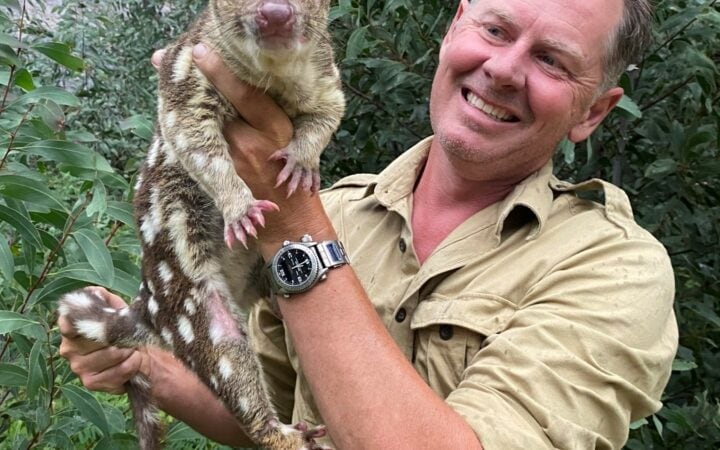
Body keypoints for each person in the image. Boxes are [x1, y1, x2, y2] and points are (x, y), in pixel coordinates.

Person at [58, 0, 678, 447]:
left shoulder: (615, 270)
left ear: (592, 112)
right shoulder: (343, 210)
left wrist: (295, 232)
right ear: (453, 28)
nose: (504, 69)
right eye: (495, 29)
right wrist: (145, 363)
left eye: (551, 60)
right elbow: (268, 417)